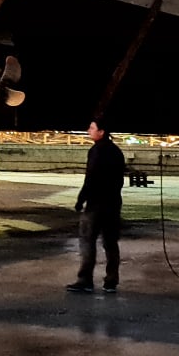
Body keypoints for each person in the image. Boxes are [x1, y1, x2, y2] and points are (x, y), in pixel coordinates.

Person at [68, 120, 126, 294]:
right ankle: (111, 281)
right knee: (110, 243)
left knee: (87, 241)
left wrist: (81, 199)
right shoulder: (116, 151)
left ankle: (85, 280)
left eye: (92, 128)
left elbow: (91, 178)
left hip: (96, 204)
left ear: (101, 131)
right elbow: (119, 180)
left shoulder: (96, 151)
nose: (88, 130)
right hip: (113, 204)